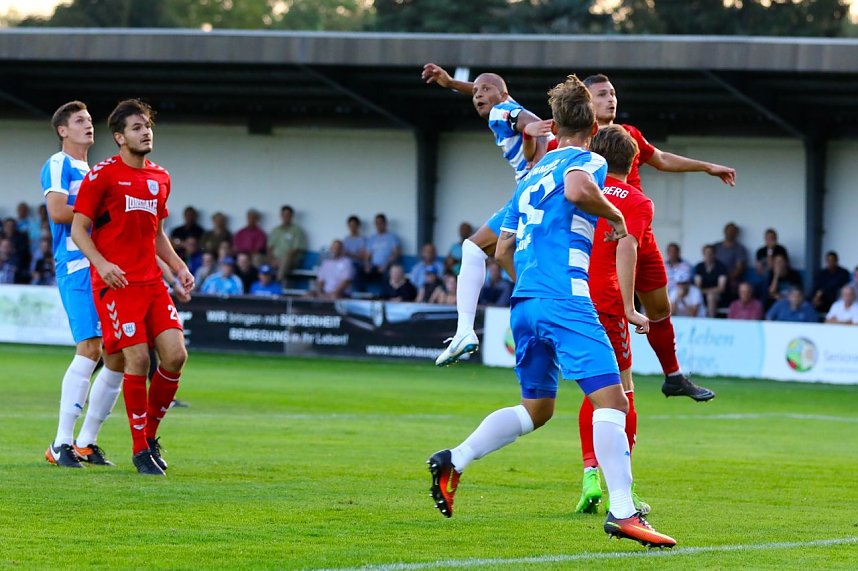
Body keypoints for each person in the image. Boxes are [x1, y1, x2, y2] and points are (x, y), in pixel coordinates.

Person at [427, 75, 675, 548]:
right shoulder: (590, 159)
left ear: (554, 124)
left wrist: (535, 287)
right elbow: (581, 190)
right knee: (614, 402)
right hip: (568, 301)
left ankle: (454, 460)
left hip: (527, 305)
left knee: (537, 410)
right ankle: (623, 512)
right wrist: (616, 217)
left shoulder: (532, 175)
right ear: (592, 125)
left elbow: (501, 248)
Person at [72, 98, 192, 476]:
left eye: (148, 126)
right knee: (136, 359)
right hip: (116, 284)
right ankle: (139, 450)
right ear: (120, 137)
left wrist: (177, 265)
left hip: (152, 283)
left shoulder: (160, 177)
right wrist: (103, 264)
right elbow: (79, 230)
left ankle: (149, 437)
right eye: (137, 128)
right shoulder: (102, 175)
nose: (146, 132)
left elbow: (156, 232)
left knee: (175, 356)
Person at [423, 64, 551, 366]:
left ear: (502, 93)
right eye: (475, 92)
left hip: (530, 192)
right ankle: (540, 304)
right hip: (539, 190)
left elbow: (530, 123)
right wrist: (453, 83)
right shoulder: (505, 104)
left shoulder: (500, 112)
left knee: (473, 248)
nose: (478, 95)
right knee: (504, 252)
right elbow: (510, 108)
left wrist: (539, 163)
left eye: (485, 90)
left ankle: (465, 332)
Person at [40, 100, 124, 468]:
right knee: (90, 347)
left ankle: (87, 442)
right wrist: (102, 212)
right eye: (79, 121)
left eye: (90, 120)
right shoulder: (59, 163)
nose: (88, 125)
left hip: (100, 267)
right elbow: (58, 212)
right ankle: (61, 443)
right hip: (76, 266)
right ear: (63, 130)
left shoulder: (94, 171)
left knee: (117, 354)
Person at [268, 205, 307, 286]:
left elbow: (295, 250)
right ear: (281, 216)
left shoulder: (297, 230)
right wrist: (272, 259)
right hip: (275, 259)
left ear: (292, 216)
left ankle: (278, 282)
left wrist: (279, 260)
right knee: (257, 259)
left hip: (291, 260)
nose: (286, 217)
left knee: (286, 258)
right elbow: (270, 247)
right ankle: (258, 284)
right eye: (284, 215)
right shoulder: (276, 230)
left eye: (288, 215)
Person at [359, 213, 401, 288]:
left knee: (387, 273)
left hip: (386, 266)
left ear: (385, 223)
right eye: (376, 223)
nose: (378, 225)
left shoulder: (392, 237)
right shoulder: (372, 238)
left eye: (380, 222)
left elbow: (396, 254)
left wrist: (386, 264)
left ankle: (384, 297)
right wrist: (367, 265)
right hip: (374, 266)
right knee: (358, 272)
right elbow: (367, 255)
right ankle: (362, 297)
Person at [713, 222, 748, 299]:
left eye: (733, 231)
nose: (730, 233)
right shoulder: (716, 246)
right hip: (714, 277)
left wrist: (725, 278)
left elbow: (739, 269)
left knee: (733, 286)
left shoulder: (740, 249)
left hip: (731, 279)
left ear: (736, 233)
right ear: (724, 231)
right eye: (728, 230)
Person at [694, 244, 728, 317]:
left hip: (719, 296)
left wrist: (706, 291)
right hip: (702, 294)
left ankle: (710, 321)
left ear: (714, 254)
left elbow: (721, 288)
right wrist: (706, 291)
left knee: (711, 296)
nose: (708, 255)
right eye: (706, 253)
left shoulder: (721, 267)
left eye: (710, 253)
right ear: (703, 254)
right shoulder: (699, 267)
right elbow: (698, 287)